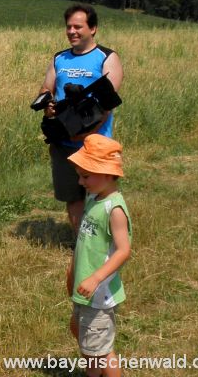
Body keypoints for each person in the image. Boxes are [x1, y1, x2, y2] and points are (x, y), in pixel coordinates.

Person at [39, 3, 124, 233]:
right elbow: (47, 88)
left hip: (96, 142)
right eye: (68, 27)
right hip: (63, 143)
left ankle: (106, 239)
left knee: (100, 194)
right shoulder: (59, 59)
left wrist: (84, 134)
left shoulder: (107, 58)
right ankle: (81, 242)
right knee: (72, 196)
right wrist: (47, 106)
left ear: (93, 28)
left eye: (78, 26)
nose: (72, 31)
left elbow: (106, 105)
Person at [66, 134, 132, 377]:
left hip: (98, 294)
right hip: (84, 289)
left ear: (106, 173)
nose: (81, 182)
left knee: (95, 358)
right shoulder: (93, 197)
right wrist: (73, 268)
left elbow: (124, 250)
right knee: (98, 347)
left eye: (86, 175)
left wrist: (95, 278)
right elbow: (86, 239)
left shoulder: (114, 209)